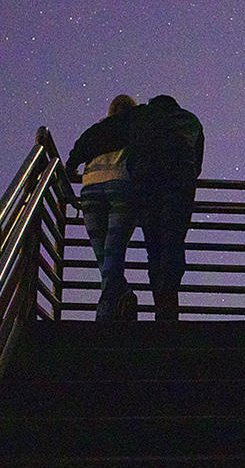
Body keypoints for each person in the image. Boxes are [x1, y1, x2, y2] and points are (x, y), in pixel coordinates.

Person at [65, 94, 203, 321]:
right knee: (170, 245)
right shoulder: (191, 120)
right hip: (176, 187)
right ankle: (165, 310)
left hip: (141, 185)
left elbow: (99, 135)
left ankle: (121, 306)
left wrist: (72, 163)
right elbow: (196, 163)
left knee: (149, 247)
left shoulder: (140, 117)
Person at [65, 94, 138, 321]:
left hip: (91, 189)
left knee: (103, 254)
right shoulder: (137, 126)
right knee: (113, 250)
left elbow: (75, 155)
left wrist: (70, 172)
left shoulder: (95, 130)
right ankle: (108, 311)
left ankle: (121, 297)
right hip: (122, 185)